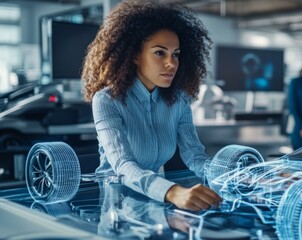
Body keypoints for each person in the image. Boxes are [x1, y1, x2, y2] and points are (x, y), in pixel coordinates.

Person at [81, 0, 222, 211]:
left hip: (157, 206)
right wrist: (172, 191)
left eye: (176, 54)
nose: (171, 63)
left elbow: (196, 157)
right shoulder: (106, 100)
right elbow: (123, 165)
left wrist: (243, 176)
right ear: (135, 55)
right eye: (160, 53)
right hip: (117, 209)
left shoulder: (179, 100)